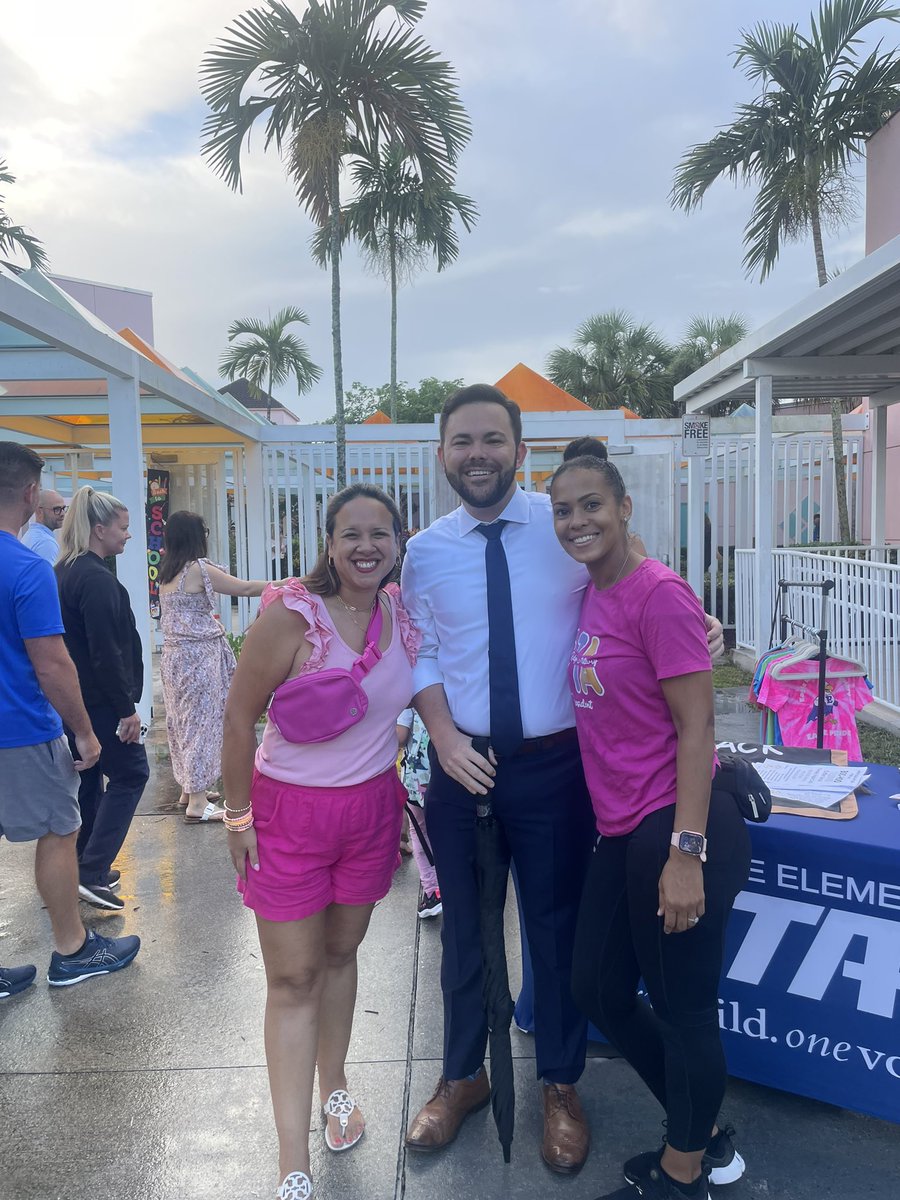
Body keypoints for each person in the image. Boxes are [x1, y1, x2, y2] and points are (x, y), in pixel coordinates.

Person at [400, 385, 724, 1173]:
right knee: (466, 940)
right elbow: (421, 650)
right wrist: (441, 735)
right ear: (442, 454)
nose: (478, 454)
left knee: (556, 934)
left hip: (556, 769)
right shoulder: (424, 552)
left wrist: (703, 622)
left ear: (519, 450)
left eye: (493, 440)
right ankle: (461, 1076)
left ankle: (560, 1084)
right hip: (461, 766)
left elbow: (638, 585)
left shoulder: (564, 531)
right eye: (462, 441)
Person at [550, 454, 751, 1200]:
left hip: (678, 825)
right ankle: (700, 1130)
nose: (578, 522)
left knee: (684, 1011)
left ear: (626, 507)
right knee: (596, 988)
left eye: (592, 505)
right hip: (623, 829)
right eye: (564, 511)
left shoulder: (657, 594)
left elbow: (697, 728)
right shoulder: (590, 592)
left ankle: (682, 1173)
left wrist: (686, 854)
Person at [222, 483, 420, 1200]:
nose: (367, 546)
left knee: (340, 957)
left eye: (381, 534)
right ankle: (290, 1153)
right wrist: (237, 816)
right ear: (330, 545)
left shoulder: (402, 611)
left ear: (399, 543)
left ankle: (335, 1086)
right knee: (293, 979)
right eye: (351, 534)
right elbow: (239, 717)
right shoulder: (291, 615)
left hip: (370, 813)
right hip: (288, 817)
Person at [0, 443, 140, 995]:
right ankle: (73, 949)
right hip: (19, 728)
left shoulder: (51, 567)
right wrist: (82, 730)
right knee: (61, 832)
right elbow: (52, 662)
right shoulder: (25, 566)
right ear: (32, 495)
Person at [55, 486, 150, 912]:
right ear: (99, 529)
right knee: (131, 774)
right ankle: (92, 870)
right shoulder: (94, 578)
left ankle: (82, 867)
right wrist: (127, 708)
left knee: (90, 781)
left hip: (74, 701)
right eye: (124, 528)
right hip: (99, 702)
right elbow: (105, 652)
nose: (129, 536)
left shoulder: (65, 572)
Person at [158, 510, 267, 823]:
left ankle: (190, 789)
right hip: (199, 657)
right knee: (202, 724)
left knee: (183, 723)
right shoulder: (198, 568)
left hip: (174, 659)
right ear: (197, 536)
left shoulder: (168, 572)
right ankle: (196, 801)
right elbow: (244, 588)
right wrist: (286, 584)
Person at [397, 707, 441, 918]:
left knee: (419, 832)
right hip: (446, 772)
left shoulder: (408, 694)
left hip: (417, 779)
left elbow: (400, 735)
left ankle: (432, 891)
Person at [21, 487, 67, 565]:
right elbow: (48, 576)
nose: (62, 514)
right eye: (57, 509)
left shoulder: (31, 535)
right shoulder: (46, 543)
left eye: (63, 508)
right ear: (39, 511)